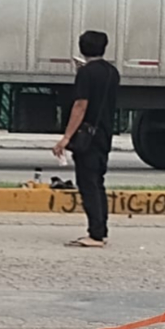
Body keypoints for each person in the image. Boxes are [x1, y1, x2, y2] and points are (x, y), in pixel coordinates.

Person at [52, 31, 120, 248]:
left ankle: (95, 235)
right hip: (104, 133)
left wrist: (66, 138)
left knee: (87, 184)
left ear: (82, 48)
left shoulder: (86, 74)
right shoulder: (112, 72)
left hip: (87, 136)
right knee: (97, 183)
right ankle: (102, 230)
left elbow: (81, 105)